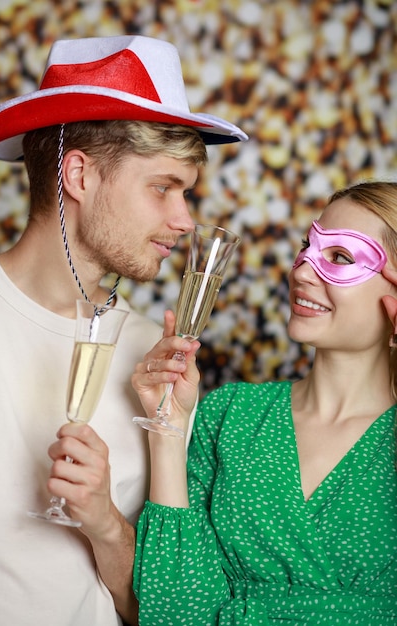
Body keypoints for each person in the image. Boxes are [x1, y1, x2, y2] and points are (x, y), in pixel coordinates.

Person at [0, 35, 248, 626]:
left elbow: (160, 613)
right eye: (163, 188)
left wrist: (107, 524)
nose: (185, 220)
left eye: (186, 193)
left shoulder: (155, 363)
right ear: (79, 175)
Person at [132, 180, 397, 625]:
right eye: (306, 247)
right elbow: (176, 612)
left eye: (340, 257)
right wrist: (169, 428)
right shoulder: (231, 414)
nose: (301, 271)